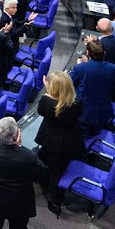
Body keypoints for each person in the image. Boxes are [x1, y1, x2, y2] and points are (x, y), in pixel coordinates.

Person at [0, 115, 48, 229]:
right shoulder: (28, 156)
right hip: (18, 204)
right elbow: (42, 174)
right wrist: (19, 147)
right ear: (16, 137)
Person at [36, 71, 84, 216]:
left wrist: (46, 89)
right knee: (46, 159)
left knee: (54, 173)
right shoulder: (77, 103)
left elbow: (41, 110)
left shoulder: (47, 103)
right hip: (72, 140)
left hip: (54, 144)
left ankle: (55, 201)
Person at [70, 39, 115, 135]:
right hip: (104, 111)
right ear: (104, 53)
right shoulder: (113, 68)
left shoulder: (81, 68)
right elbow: (114, 85)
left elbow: (69, 83)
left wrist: (82, 65)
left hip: (84, 114)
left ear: (88, 53)